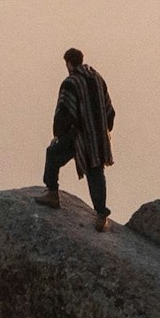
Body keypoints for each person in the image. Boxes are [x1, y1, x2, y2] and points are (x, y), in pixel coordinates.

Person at [44, 46, 117, 228]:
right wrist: (104, 130)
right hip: (99, 138)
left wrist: (58, 135)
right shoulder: (98, 79)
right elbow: (109, 110)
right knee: (96, 172)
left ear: (68, 63)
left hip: (79, 137)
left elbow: (64, 112)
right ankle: (101, 216)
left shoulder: (71, 82)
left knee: (53, 154)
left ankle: (52, 193)